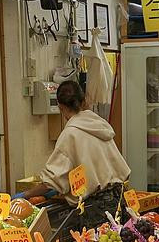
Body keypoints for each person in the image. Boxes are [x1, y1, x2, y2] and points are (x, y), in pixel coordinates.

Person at [19, 79, 130, 231]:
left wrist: (25, 194)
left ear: (60, 106)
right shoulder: (100, 125)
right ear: (84, 101)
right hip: (118, 197)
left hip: (96, 206)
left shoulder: (70, 134)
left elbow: (50, 181)